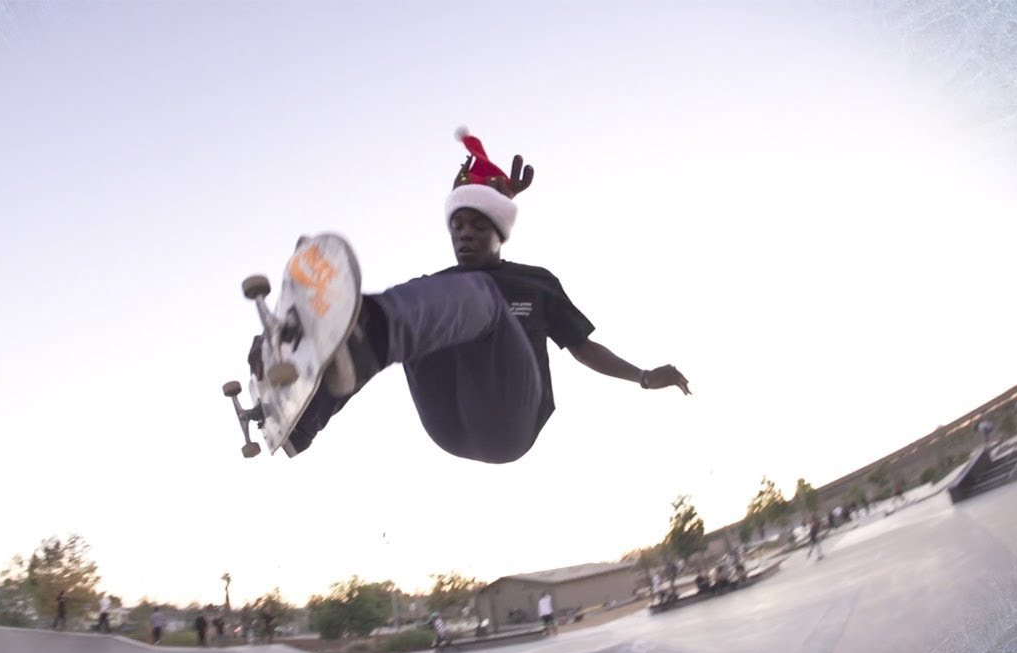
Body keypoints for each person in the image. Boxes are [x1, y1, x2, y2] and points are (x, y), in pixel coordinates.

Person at [250, 129, 690, 464]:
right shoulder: (435, 295)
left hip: (510, 420)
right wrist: (312, 339)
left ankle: (368, 326)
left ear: (500, 233)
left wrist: (643, 377)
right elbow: (407, 319)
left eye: (478, 226)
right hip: (446, 420)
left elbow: (584, 348)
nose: (464, 235)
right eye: (457, 226)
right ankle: (305, 418)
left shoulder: (535, 282)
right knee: (413, 312)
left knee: (475, 298)